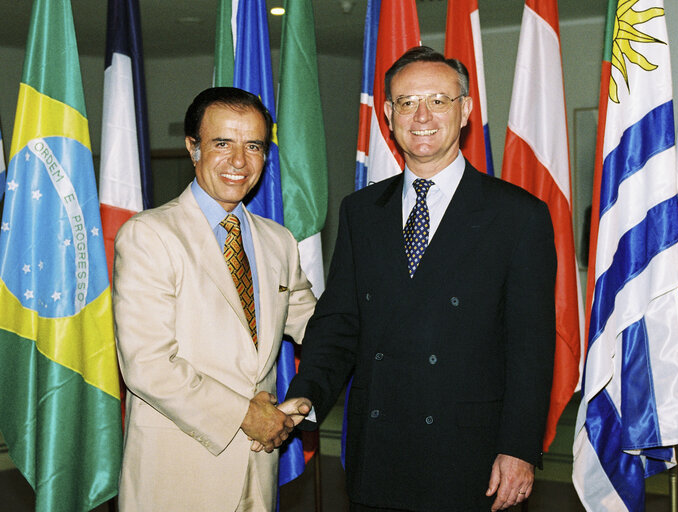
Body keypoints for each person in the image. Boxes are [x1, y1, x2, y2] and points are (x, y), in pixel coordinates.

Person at [284, 46, 557, 512]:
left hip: (471, 458)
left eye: (439, 100)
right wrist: (306, 393)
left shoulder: (518, 215)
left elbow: (530, 347)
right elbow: (340, 323)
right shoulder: (361, 211)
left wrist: (519, 450)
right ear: (388, 114)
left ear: (465, 109)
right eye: (407, 103)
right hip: (378, 454)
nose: (423, 116)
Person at [112, 87, 316, 512]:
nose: (239, 162)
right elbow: (147, 365)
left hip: (258, 470)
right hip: (177, 476)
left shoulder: (278, 242)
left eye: (253, 146)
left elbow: (321, 329)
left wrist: (307, 395)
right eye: (223, 143)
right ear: (193, 148)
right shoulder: (150, 236)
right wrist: (246, 414)